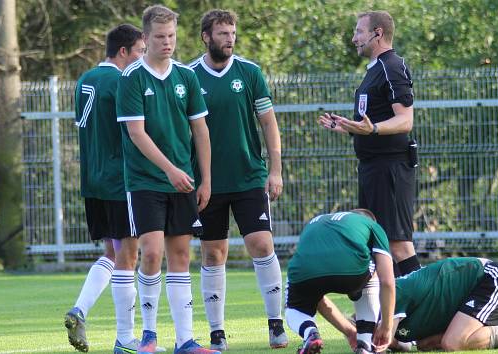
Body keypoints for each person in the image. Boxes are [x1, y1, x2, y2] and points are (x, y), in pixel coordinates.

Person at [116, 5, 218, 354]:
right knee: (151, 253)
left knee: (180, 255)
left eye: (172, 36)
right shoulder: (131, 78)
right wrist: (170, 170)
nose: (167, 43)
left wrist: (205, 178)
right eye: (160, 37)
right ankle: (148, 336)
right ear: (145, 39)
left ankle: (185, 340)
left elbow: (200, 130)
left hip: (184, 183)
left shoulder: (186, 77)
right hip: (146, 181)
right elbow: (136, 134)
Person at [187, 9, 286, 351]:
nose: (229, 38)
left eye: (232, 32)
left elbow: (268, 123)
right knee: (213, 255)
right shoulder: (187, 76)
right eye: (222, 33)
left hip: (249, 178)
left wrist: (275, 170)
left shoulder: (250, 72)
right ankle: (217, 333)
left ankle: (276, 324)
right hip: (207, 183)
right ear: (206, 36)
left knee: (262, 244)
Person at [65, 23, 148, 354]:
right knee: (129, 255)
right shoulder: (121, 81)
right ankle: (125, 338)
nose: (143, 58)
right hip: (119, 182)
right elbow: (133, 131)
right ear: (124, 51)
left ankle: (80, 310)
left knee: (112, 255)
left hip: (93, 182)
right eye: (140, 52)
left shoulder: (85, 79)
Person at [318, 10, 420, 277]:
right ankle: (388, 313)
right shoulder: (374, 70)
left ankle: (422, 306)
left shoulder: (392, 66)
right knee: (380, 244)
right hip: (373, 168)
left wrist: (372, 129)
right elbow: (373, 124)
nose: (354, 38)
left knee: (398, 245)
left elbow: (405, 121)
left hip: (391, 168)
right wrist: (352, 129)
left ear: (378, 33)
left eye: (359, 32)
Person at [321, 257, 498, 352]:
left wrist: (359, 337)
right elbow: (401, 344)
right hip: (471, 291)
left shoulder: (393, 294)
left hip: (492, 279)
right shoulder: (388, 314)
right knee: (428, 345)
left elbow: (381, 343)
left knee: (453, 343)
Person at [285, 209, 395, 354]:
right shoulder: (372, 225)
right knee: (374, 270)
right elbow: (387, 281)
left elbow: (318, 299)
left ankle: (309, 333)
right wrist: (387, 326)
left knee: (295, 306)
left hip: (303, 272)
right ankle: (365, 344)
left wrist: (349, 331)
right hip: (352, 271)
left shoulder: (316, 221)